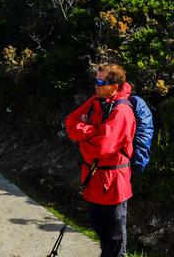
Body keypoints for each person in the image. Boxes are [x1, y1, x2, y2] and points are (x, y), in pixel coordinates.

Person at [65, 63, 135, 257]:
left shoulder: (122, 112)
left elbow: (100, 148)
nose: (95, 85)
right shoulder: (96, 101)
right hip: (94, 181)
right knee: (102, 233)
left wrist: (84, 139)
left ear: (115, 86)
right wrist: (91, 132)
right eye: (95, 81)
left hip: (113, 184)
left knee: (114, 240)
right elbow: (71, 123)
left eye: (100, 82)